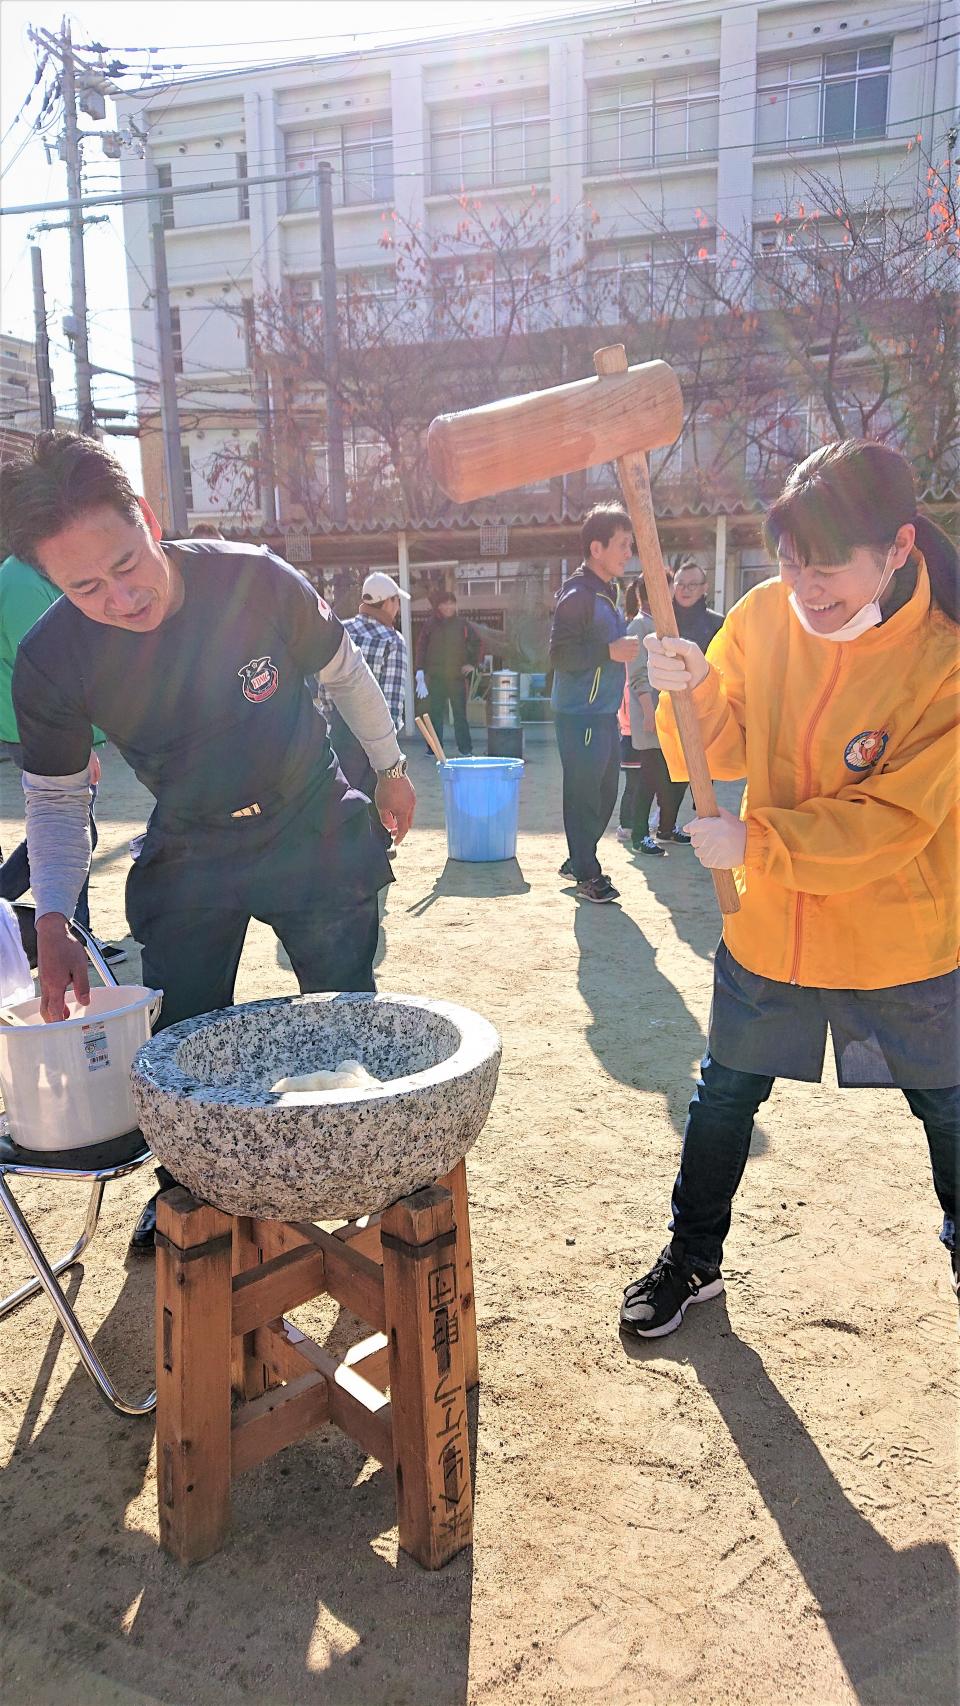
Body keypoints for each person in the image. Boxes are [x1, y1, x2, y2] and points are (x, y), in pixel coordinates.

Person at [1, 432, 416, 1249]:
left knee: (344, 1007)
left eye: (126, 565)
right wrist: (52, 916)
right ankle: (188, 1196)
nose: (119, 598)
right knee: (183, 1037)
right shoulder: (51, 659)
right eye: (84, 586)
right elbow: (53, 800)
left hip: (307, 817)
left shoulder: (252, 578)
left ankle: (365, 1183)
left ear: (147, 519)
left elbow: (343, 671)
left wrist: (393, 766)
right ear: (50, 584)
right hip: (190, 840)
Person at [619, 439, 960, 1339]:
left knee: (949, 1099)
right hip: (773, 920)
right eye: (792, 560)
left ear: (896, 549)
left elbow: (893, 819)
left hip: (900, 929)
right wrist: (687, 690)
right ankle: (692, 1259)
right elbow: (720, 748)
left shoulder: (945, 658)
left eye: (831, 565)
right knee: (726, 1089)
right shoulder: (766, 616)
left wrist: (756, 840)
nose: (807, 586)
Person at [0, 552, 124, 960]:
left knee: (75, 828)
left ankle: (73, 930)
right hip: (39, 730)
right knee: (70, 828)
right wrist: (81, 745)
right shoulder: (21, 581)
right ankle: (74, 933)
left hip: (46, 726)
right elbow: (51, 670)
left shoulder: (38, 572)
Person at [549, 503, 640, 903]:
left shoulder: (609, 592)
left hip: (602, 713)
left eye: (630, 545)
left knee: (605, 794)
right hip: (579, 714)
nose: (628, 553)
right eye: (622, 545)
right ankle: (586, 871)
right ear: (596, 548)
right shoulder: (576, 595)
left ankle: (578, 856)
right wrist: (609, 651)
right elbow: (560, 656)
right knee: (585, 794)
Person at [317, 570, 410, 820]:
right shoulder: (393, 640)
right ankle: (376, 847)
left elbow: (324, 688)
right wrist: (389, 753)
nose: (397, 607)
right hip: (375, 734)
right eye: (396, 601)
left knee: (342, 800)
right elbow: (391, 702)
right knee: (375, 802)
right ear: (388, 602)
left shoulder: (340, 629)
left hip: (337, 729)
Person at [616, 576, 691, 856]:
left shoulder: (658, 625)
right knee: (649, 778)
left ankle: (666, 829)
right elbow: (637, 676)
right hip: (651, 714)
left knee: (669, 775)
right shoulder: (638, 626)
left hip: (665, 713)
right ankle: (639, 835)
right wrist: (649, 713)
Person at [415, 591, 480, 754]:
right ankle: (434, 749)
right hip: (436, 678)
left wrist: (472, 664)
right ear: (438, 606)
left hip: (457, 678)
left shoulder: (462, 624)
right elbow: (421, 648)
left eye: (452, 603)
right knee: (435, 715)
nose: (449, 606)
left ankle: (465, 749)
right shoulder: (429, 625)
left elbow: (478, 643)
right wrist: (419, 671)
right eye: (445, 603)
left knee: (460, 715)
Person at [672, 557, 723, 652]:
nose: (685, 589)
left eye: (692, 585)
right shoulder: (662, 622)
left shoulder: (718, 624)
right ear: (673, 587)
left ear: (704, 588)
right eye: (680, 584)